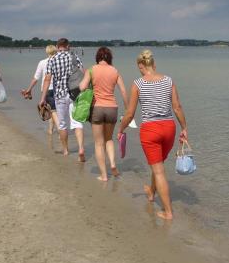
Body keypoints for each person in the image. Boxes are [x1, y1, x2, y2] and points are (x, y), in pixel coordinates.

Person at [118, 50, 188, 220]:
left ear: (140, 66)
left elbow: (129, 114)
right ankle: (151, 191)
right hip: (169, 128)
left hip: (150, 130)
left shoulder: (138, 84)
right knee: (158, 165)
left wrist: (121, 129)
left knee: (158, 171)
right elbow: (177, 107)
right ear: (154, 65)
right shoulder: (168, 80)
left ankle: (168, 212)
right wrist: (184, 127)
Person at [78, 47, 128, 181]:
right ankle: (112, 164)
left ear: (97, 57)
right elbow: (123, 91)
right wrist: (128, 109)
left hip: (97, 108)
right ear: (109, 58)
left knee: (99, 143)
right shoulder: (115, 71)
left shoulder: (91, 69)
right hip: (112, 108)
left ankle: (104, 175)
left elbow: (82, 87)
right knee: (109, 139)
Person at [39, 38, 85, 160]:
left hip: (59, 95)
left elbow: (47, 79)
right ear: (68, 46)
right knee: (77, 122)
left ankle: (65, 150)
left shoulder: (52, 59)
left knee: (63, 124)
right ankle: (81, 148)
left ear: (57, 46)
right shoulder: (74, 56)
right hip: (74, 94)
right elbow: (83, 73)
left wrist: (43, 98)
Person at [22, 45, 60, 140]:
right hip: (59, 89)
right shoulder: (60, 61)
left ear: (47, 52)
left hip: (46, 90)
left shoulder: (42, 62)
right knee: (55, 111)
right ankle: (53, 130)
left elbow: (36, 78)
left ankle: (58, 131)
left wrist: (29, 89)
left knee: (52, 111)